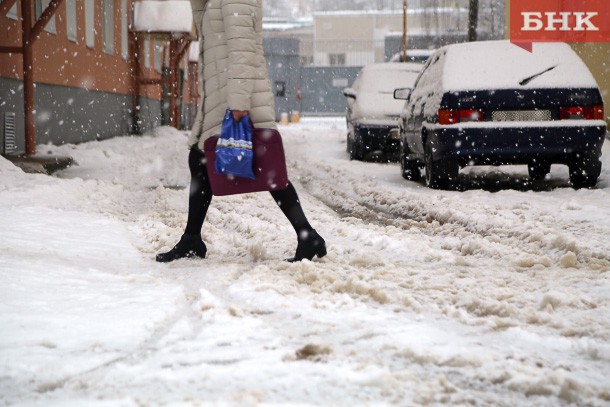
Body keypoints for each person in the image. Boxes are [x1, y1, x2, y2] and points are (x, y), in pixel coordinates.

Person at [156, 0, 326, 263]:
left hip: (236, 99)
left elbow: (242, 50)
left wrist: (238, 103)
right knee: (200, 159)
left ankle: (308, 236)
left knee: (269, 169)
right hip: (220, 96)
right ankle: (192, 238)